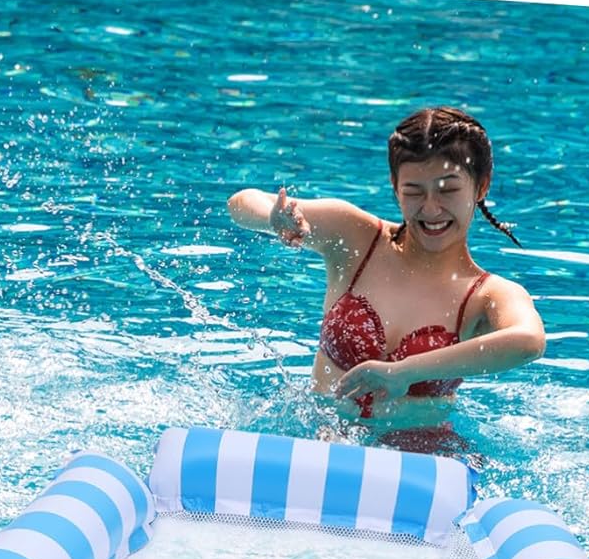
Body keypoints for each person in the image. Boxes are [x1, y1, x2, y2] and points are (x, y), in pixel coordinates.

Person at [227, 106, 545, 453]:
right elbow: (241, 203)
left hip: (420, 459)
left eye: (448, 190)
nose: (431, 208)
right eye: (414, 191)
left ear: (481, 186)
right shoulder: (356, 238)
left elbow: (528, 340)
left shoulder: (485, 294)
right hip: (318, 441)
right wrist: (274, 220)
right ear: (395, 188)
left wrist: (406, 372)